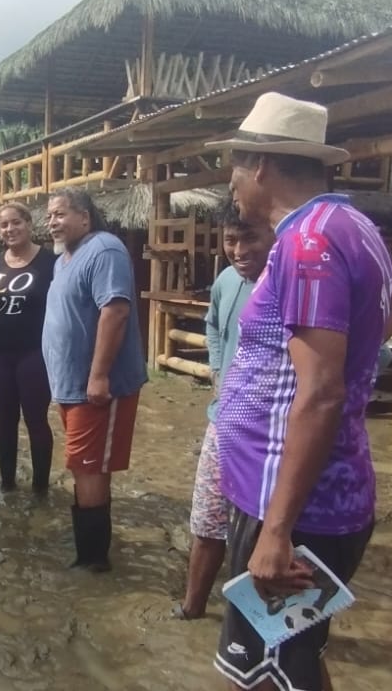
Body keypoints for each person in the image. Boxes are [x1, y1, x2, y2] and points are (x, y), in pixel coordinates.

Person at [207, 93, 392, 691]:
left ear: (261, 166)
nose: (232, 181)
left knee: (260, 679)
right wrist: (354, 362)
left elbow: (320, 393)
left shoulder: (306, 243)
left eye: (236, 165)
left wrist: (276, 531)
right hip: (308, 492)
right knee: (295, 665)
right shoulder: (353, 225)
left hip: (292, 502)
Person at [41, 188, 147, 573]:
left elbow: (115, 310)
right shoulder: (63, 260)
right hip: (70, 386)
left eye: (60, 214)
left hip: (96, 389)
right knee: (86, 467)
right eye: (49, 216)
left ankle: (92, 561)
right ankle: (90, 548)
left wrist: (99, 375)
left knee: (87, 467)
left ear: (84, 217)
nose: (52, 222)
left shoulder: (104, 249)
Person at [176, 213, 270, 621]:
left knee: (261, 531)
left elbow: (372, 353)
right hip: (223, 420)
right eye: (231, 240)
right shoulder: (226, 281)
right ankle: (192, 606)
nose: (239, 251)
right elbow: (213, 325)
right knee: (207, 518)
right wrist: (217, 369)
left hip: (271, 432)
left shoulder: (293, 285)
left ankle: (250, 622)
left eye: (250, 240)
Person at [0, 202, 57, 492]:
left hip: (35, 354)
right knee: (5, 421)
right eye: (4, 225)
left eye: (16, 222)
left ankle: (41, 489)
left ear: (29, 224)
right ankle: (7, 484)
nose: (10, 229)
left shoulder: (50, 262)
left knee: (36, 420)